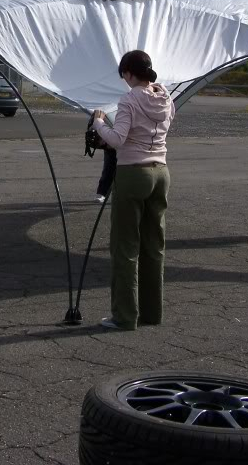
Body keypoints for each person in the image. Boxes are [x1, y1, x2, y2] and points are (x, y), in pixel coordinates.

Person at [91, 50, 175, 331]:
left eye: (123, 75)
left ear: (128, 72)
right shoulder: (165, 96)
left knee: (125, 246)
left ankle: (125, 315)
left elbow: (117, 139)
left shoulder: (129, 99)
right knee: (154, 245)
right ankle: (153, 312)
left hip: (133, 173)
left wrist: (99, 123)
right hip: (161, 171)